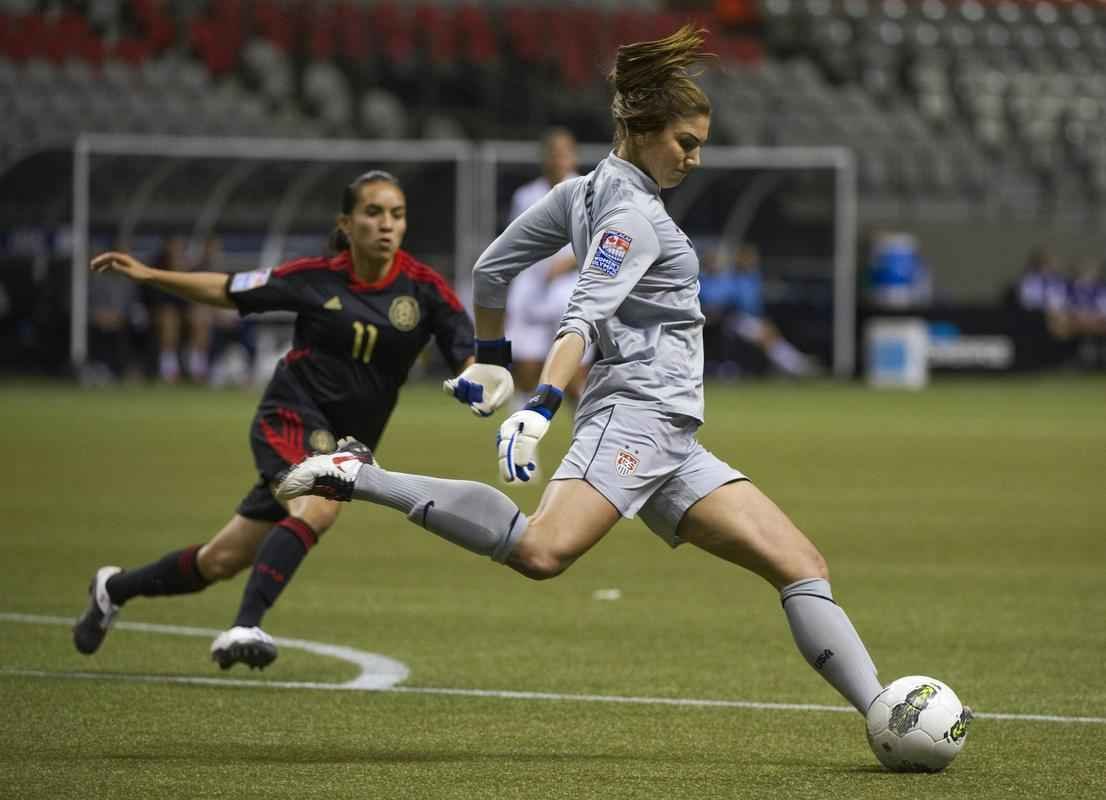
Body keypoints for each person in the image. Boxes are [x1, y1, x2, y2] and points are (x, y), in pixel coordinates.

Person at [275, 26, 886, 719]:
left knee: (801, 564)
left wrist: (494, 360)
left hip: (673, 437)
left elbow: (490, 271)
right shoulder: (630, 214)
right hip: (634, 416)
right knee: (540, 550)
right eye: (686, 142)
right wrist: (537, 406)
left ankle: (882, 713)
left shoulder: (582, 192)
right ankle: (361, 474)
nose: (694, 158)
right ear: (643, 129)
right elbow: (582, 318)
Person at [73, 171, 475, 669]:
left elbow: (467, 355)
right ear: (346, 224)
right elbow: (228, 289)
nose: (386, 225)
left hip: (347, 443)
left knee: (217, 561)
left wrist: (483, 384)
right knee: (320, 503)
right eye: (373, 213)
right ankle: (246, 625)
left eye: (397, 214)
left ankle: (113, 588)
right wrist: (151, 276)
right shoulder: (315, 277)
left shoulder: (426, 289)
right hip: (290, 415)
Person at [504, 127, 588, 404]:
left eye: (564, 153)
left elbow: (601, 242)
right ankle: (520, 446)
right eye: (553, 153)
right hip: (531, 289)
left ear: (573, 157)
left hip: (570, 290)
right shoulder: (525, 196)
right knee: (527, 372)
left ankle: (586, 445)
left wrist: (568, 262)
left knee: (574, 376)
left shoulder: (588, 192)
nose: (558, 159)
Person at [700, 243, 821, 377]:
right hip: (729, 320)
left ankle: (794, 364)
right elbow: (720, 303)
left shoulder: (744, 278)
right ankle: (794, 366)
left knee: (769, 332)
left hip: (743, 319)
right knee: (765, 334)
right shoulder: (708, 280)